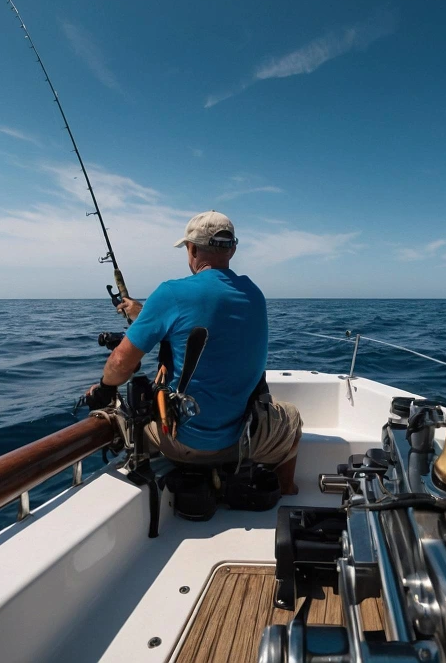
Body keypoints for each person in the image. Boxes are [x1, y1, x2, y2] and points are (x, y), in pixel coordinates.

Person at [85, 211, 302, 494]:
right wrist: (144, 314)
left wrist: (103, 388)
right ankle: (285, 491)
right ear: (232, 249)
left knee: (116, 411)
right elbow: (209, 325)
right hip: (243, 441)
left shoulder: (170, 293)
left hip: (179, 443)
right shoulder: (254, 295)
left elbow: (120, 361)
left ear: (192, 249)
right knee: (292, 417)